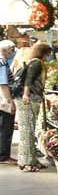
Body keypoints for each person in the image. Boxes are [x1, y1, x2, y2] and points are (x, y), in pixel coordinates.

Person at [15, 42, 51, 171]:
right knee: (27, 130)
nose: (48, 57)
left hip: (28, 98)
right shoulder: (36, 63)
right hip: (29, 99)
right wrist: (26, 95)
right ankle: (26, 162)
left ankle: (31, 160)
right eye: (48, 53)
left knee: (29, 130)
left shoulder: (32, 61)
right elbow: (29, 80)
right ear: (44, 53)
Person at [0, 40, 16, 163]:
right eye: (12, 49)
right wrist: (9, 101)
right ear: (6, 50)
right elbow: (3, 83)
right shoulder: (2, 61)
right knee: (5, 126)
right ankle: (3, 155)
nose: (13, 52)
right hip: (3, 99)